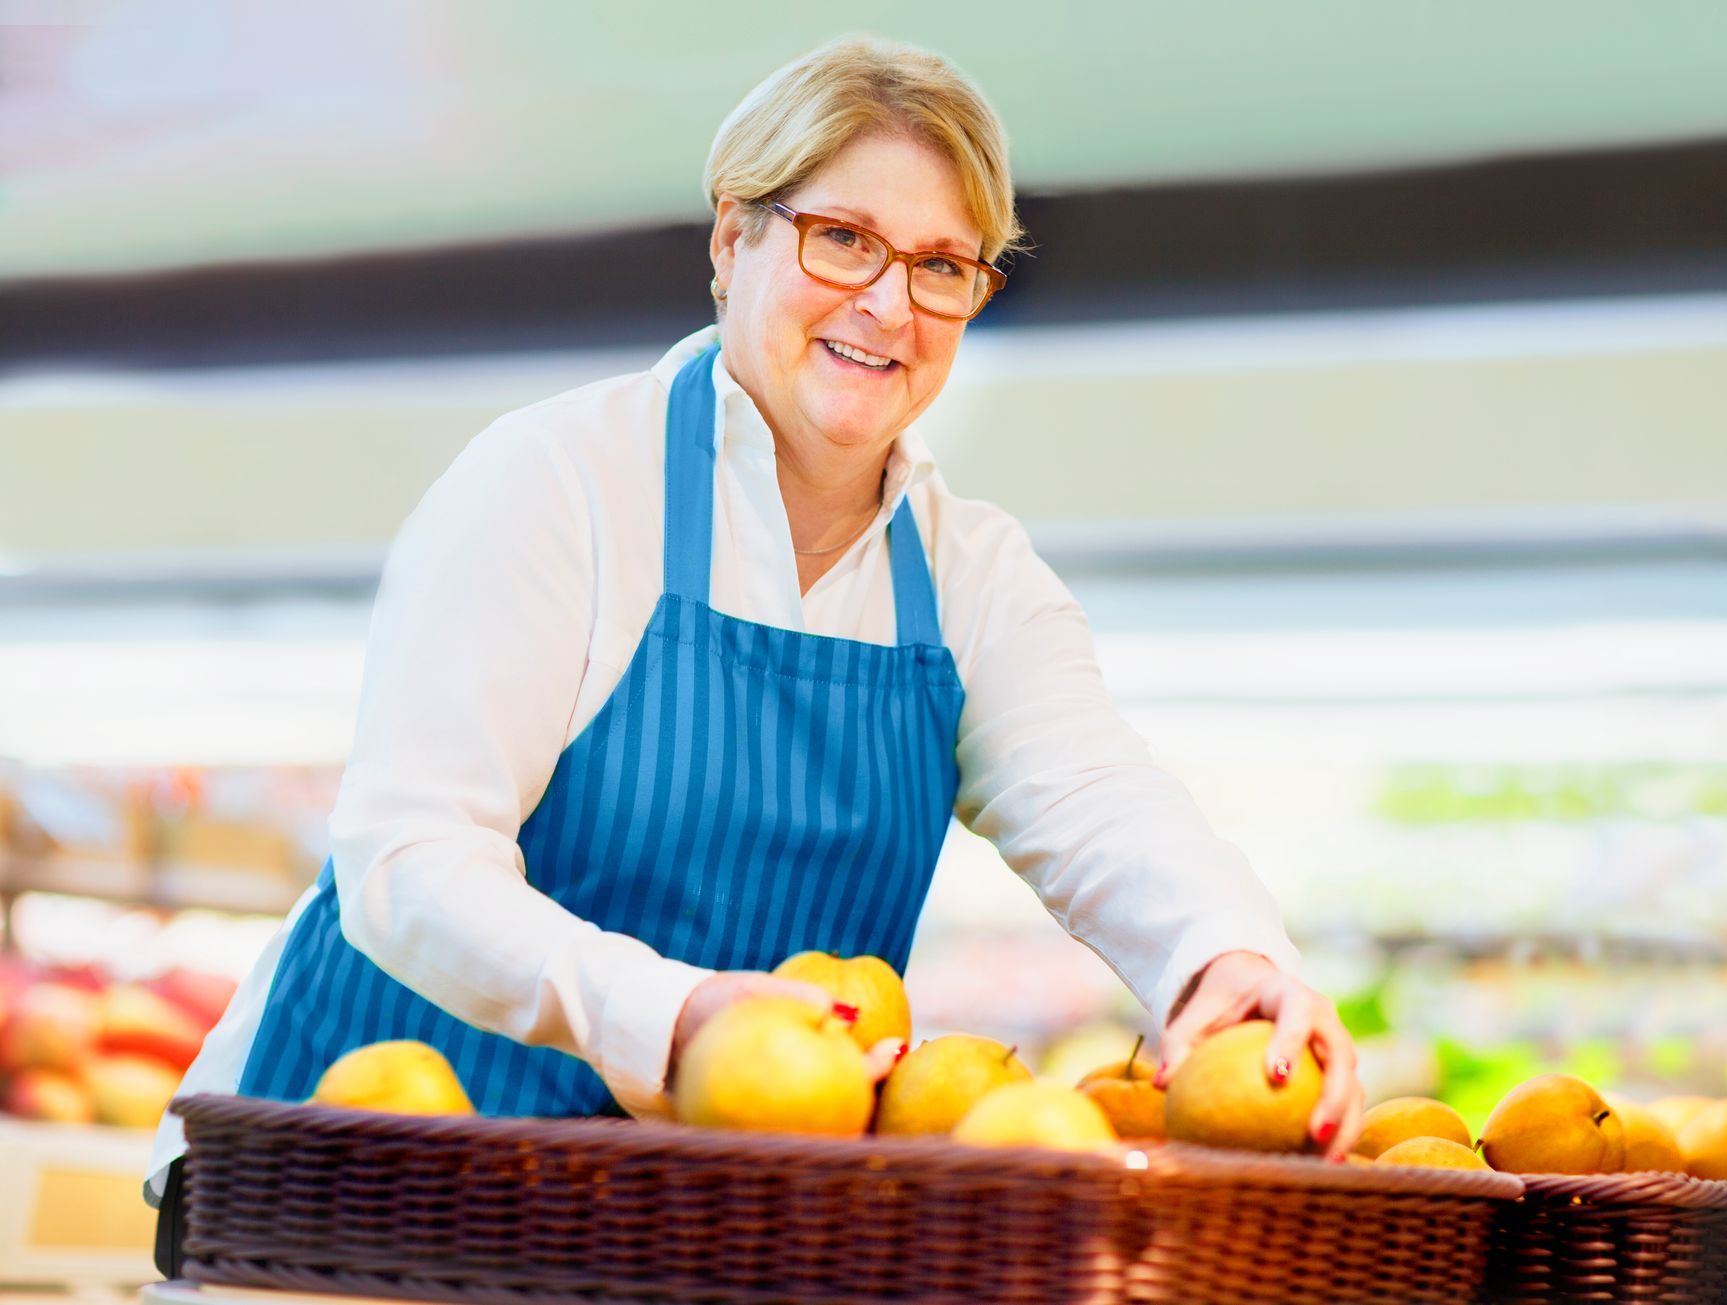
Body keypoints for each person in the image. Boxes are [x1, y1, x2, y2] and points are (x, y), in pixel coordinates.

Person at [147, 33, 1362, 1274]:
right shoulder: (556, 484)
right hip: (341, 1204)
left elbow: (1100, 798)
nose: (888, 304)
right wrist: (674, 1017)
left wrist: (1227, 956)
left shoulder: (974, 576)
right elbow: (407, 861)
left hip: (669, 1242)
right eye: (844, 239)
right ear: (733, 240)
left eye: (942, 266)